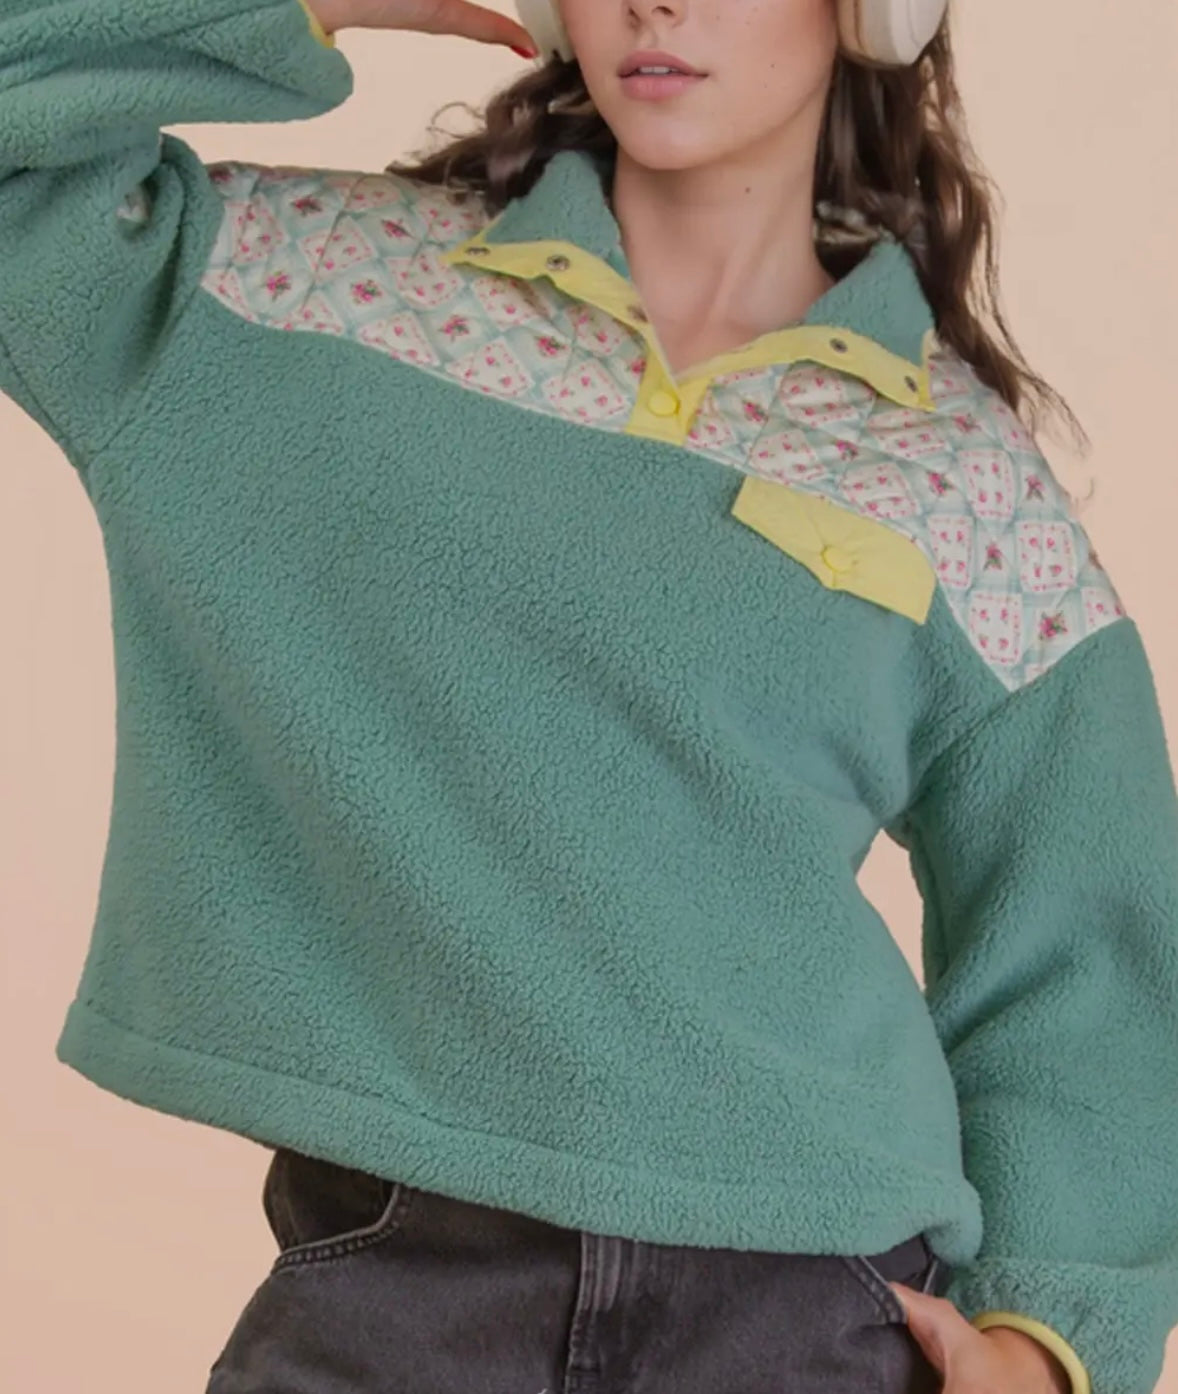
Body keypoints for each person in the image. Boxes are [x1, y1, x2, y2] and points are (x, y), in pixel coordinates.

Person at [1, 0, 1175, 1390]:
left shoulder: (954, 475)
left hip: (812, 1295)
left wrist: (1047, 1341)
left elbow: (1095, 943)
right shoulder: (285, 281)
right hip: (402, 1270)